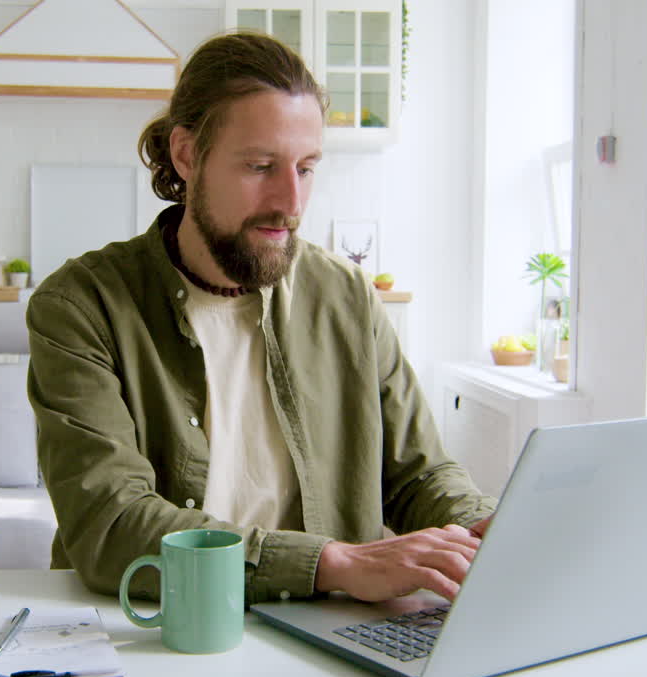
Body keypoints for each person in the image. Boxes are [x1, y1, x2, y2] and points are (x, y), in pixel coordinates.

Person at [26, 32, 496, 606]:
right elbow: (111, 524)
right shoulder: (82, 307)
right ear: (186, 155)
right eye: (260, 165)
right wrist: (331, 562)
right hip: (151, 627)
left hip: (325, 630)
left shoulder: (346, 295)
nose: (291, 202)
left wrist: (483, 529)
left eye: (306, 167)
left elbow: (419, 476)